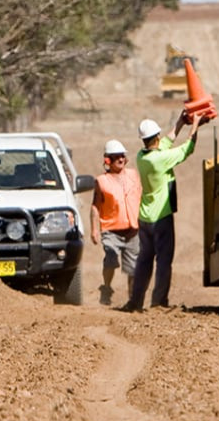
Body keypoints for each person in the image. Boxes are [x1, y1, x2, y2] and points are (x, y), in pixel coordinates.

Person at [122, 113, 208, 311]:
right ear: (156, 137)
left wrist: (180, 123)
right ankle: (159, 301)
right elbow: (188, 148)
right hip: (161, 217)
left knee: (144, 261)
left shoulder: (142, 157)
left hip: (145, 216)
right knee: (163, 261)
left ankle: (135, 301)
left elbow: (166, 143)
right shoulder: (159, 160)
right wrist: (195, 124)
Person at [89, 139, 140, 306]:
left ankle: (133, 299)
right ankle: (106, 288)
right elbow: (95, 206)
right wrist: (94, 230)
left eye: (122, 156)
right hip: (111, 229)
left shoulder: (133, 175)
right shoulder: (101, 181)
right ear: (107, 160)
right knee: (111, 259)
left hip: (133, 228)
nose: (120, 159)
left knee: (133, 267)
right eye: (116, 156)